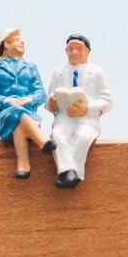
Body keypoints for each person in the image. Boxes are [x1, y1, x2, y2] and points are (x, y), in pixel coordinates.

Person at [44, 33, 112, 189]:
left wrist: (87, 108)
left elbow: (107, 101)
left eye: (78, 48)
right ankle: (69, 171)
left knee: (82, 137)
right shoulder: (59, 72)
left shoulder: (96, 72)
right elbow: (49, 101)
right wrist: (53, 103)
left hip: (87, 119)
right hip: (64, 118)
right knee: (58, 136)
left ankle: (72, 173)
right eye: (70, 49)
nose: (74, 52)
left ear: (88, 51)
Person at [0, 27, 52, 179]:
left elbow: (40, 93)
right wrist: (6, 100)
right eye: (16, 39)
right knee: (15, 111)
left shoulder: (30, 67)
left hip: (29, 114)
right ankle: (42, 140)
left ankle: (23, 164)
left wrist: (29, 99)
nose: (22, 42)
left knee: (19, 123)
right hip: (3, 116)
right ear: (6, 44)